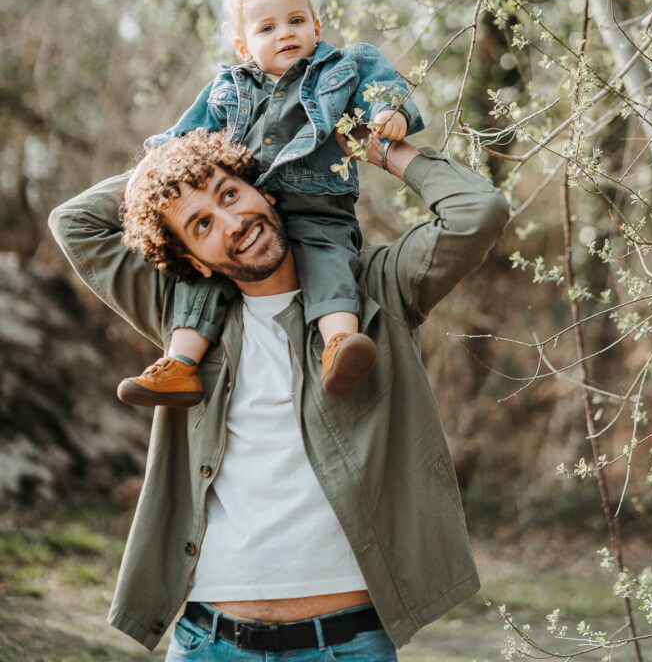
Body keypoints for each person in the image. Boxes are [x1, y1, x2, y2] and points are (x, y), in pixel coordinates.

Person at [49, 126, 509, 660]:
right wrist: (168, 164)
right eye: (201, 224)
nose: (232, 221)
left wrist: (375, 146)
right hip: (207, 642)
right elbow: (74, 223)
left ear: (263, 190)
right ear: (193, 260)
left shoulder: (377, 290)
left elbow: (479, 211)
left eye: (229, 194)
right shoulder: (183, 322)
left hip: (348, 643)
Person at [116, 0, 424, 408]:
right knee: (205, 274)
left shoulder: (343, 66)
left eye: (296, 21)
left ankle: (340, 344)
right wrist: (149, 164)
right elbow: (186, 135)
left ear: (316, 27)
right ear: (244, 46)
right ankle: (181, 363)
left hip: (321, 199)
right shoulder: (229, 86)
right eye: (268, 28)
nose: (285, 34)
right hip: (248, 205)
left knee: (329, 259)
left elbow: (383, 87)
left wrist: (390, 114)